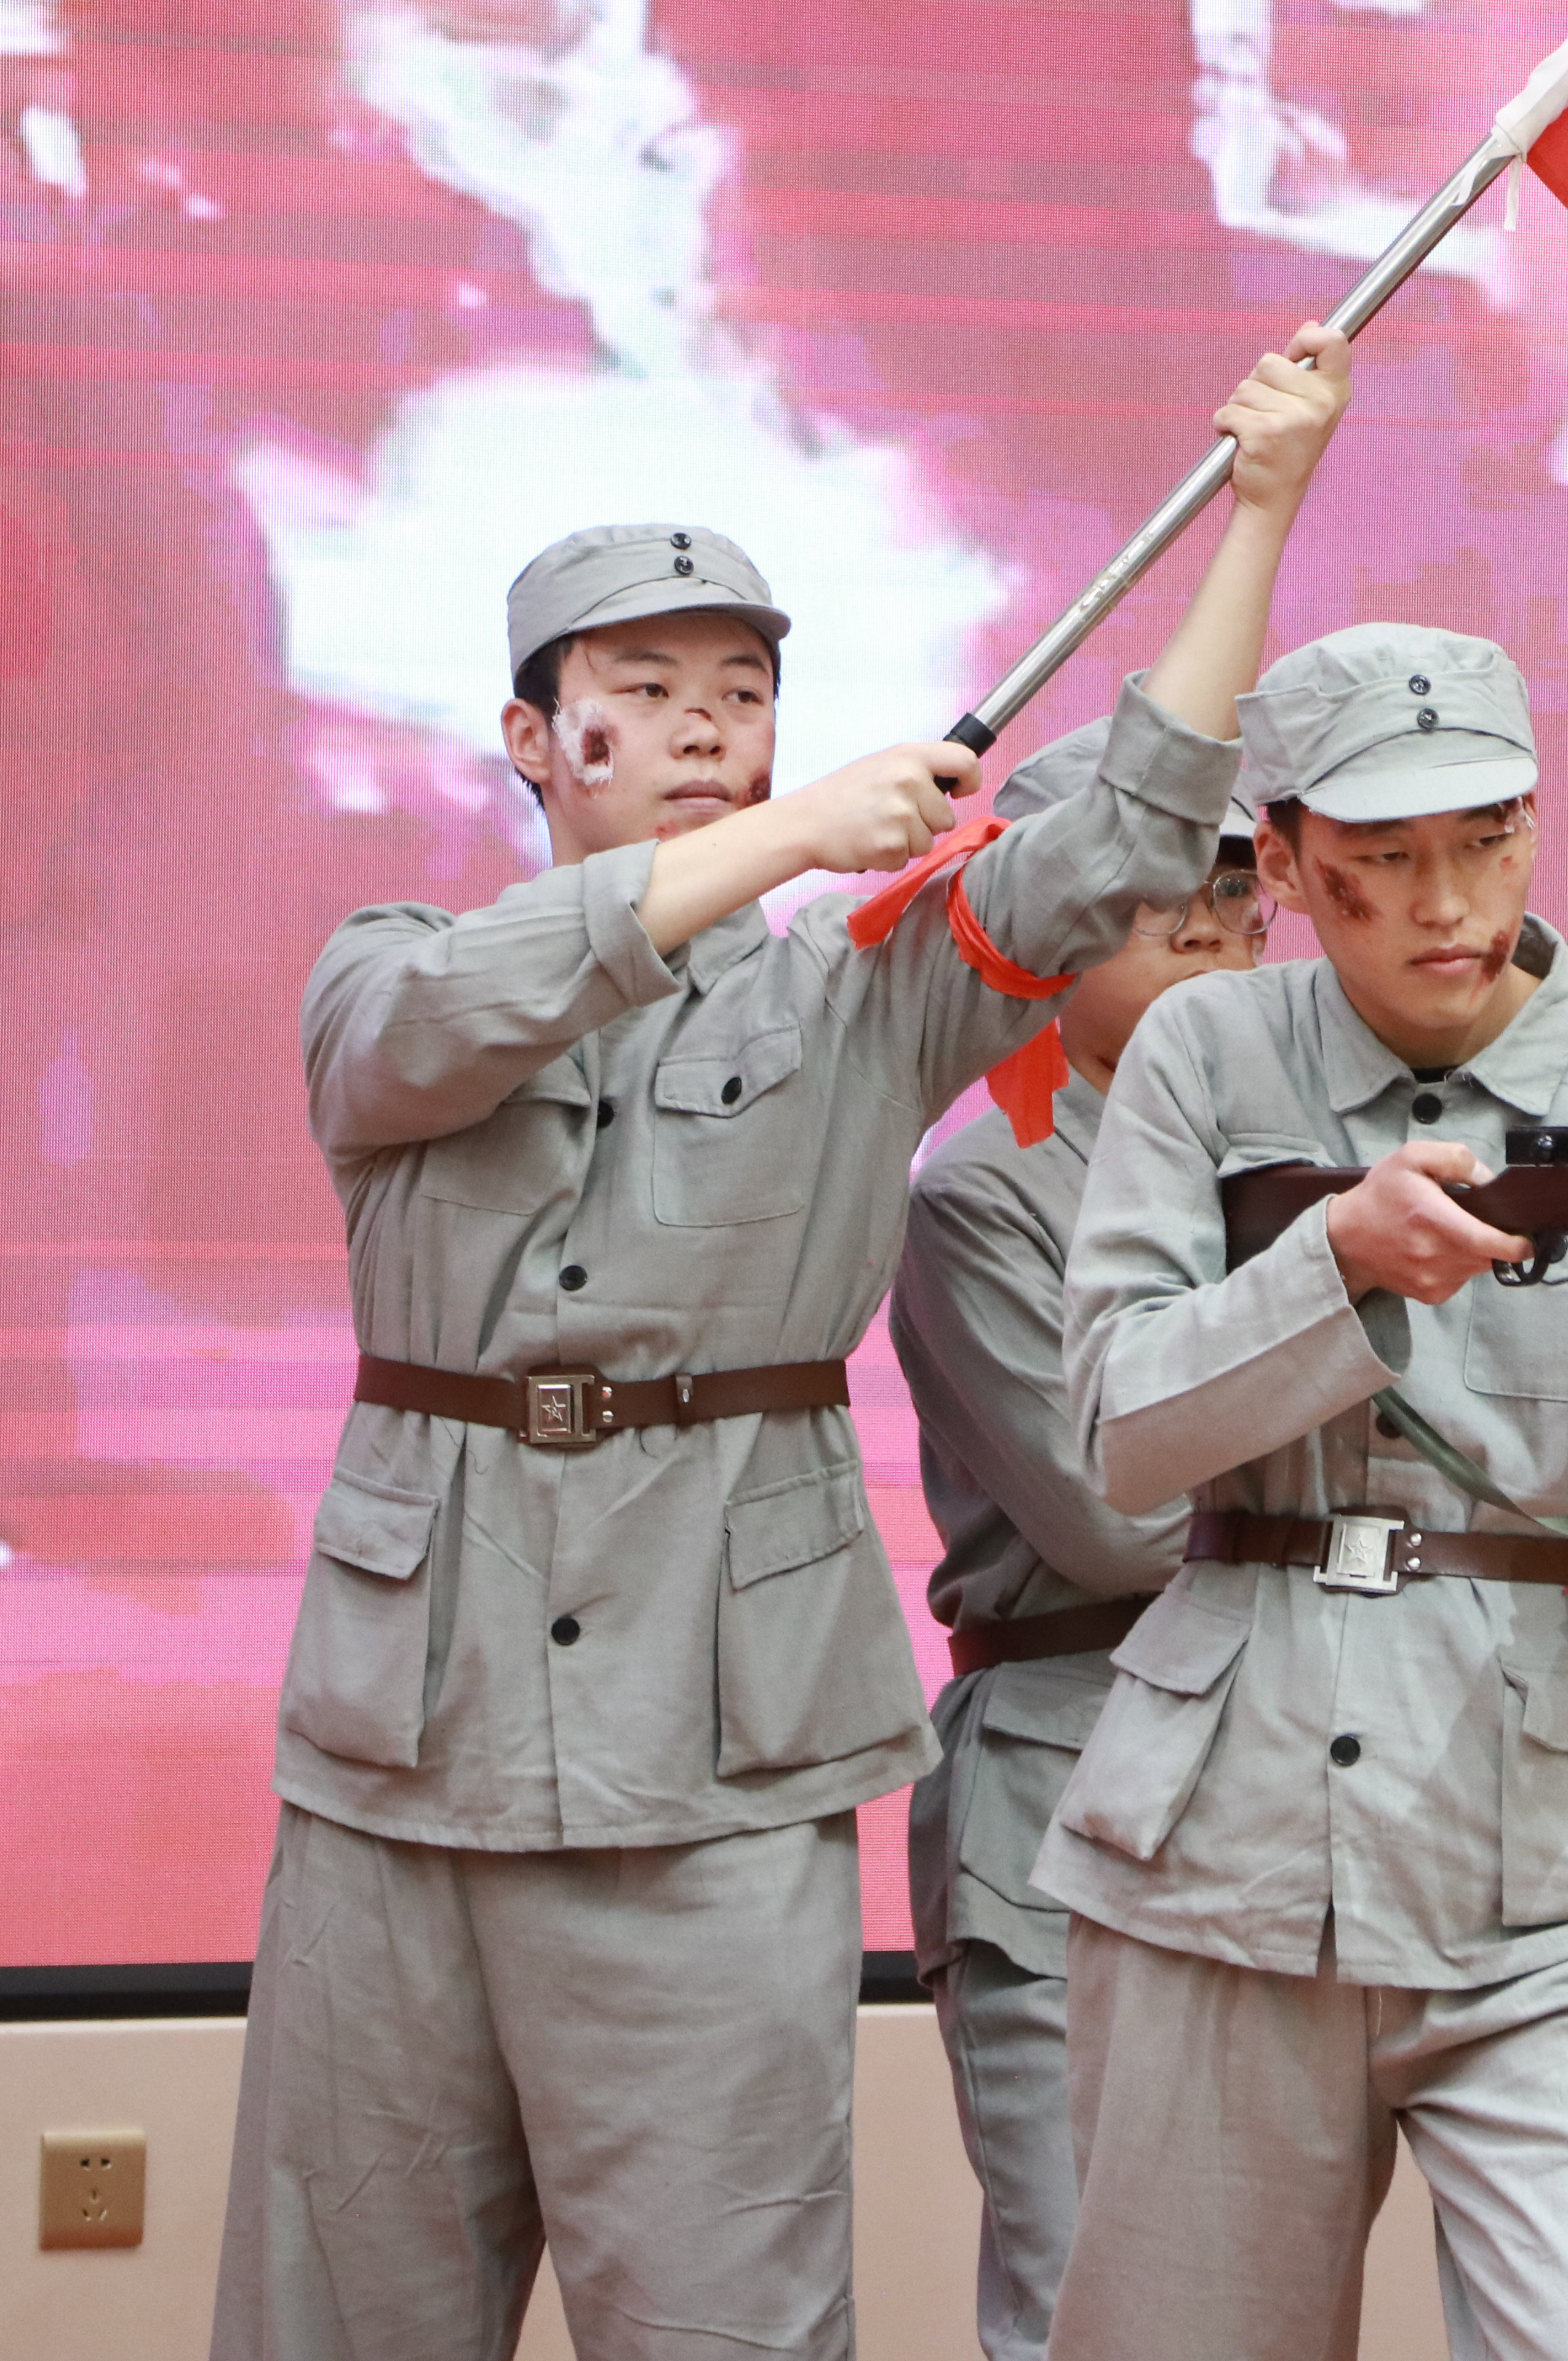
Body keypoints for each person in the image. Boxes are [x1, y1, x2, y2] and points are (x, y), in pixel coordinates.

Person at [209, 325, 1351, 2361]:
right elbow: (453, 1028)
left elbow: (1123, 832)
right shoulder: (389, 969)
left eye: (742, 696)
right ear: (531, 737)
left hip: (720, 1756)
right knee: (339, 2309)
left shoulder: (859, 995)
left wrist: (1258, 511)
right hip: (404, 1751)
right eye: (645, 689)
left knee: (728, 2312)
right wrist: (801, 829)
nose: (704, 727)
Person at [1033, 622, 1568, 2361]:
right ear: (1281, 861)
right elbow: (1117, 1435)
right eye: (1386, 859)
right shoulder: (1202, 1057)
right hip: (1223, 1846)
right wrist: (1333, 1262)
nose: (1447, 902)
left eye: (1487, 841)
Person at [887, 738, 1271, 2361]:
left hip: (1281, 1798)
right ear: (1043, 929)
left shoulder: (1312, 1169)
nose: (1207, 924)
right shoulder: (984, 1187)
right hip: (1069, 1778)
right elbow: (1119, 1518)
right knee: (1091, 2318)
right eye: (1151, 888)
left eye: (1239, 890)